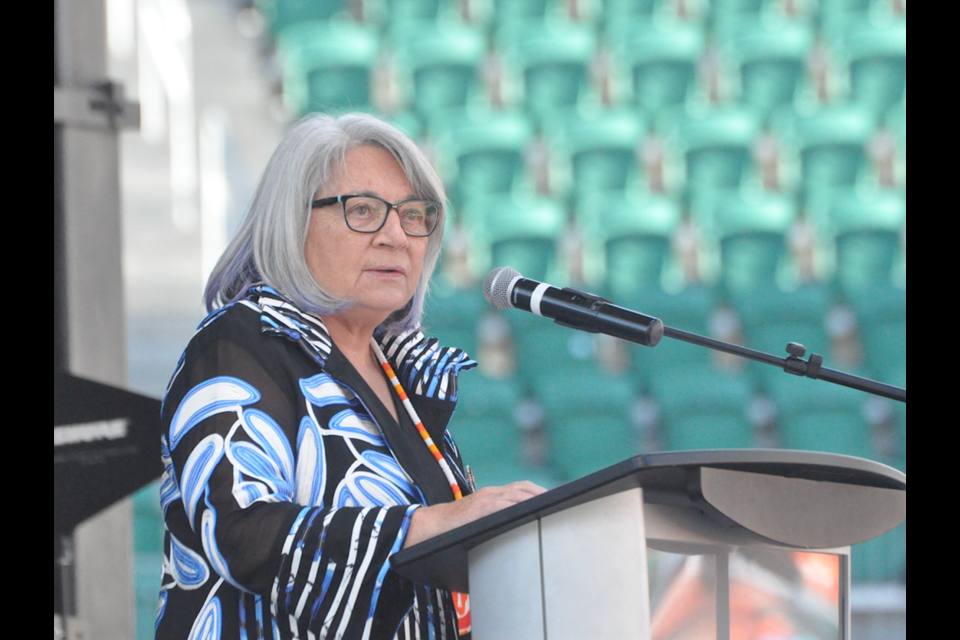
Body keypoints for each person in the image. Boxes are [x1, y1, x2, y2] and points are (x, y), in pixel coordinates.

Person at [156, 113, 545, 640]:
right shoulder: (241, 345)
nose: (396, 236)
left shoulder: (401, 374)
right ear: (292, 223)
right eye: (363, 211)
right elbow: (239, 528)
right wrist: (428, 525)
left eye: (414, 216)